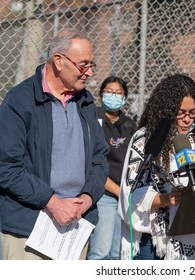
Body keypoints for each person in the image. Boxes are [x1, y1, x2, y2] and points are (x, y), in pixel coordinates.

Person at [0, 28, 109, 260]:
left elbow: (100, 158)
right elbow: (6, 167)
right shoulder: (20, 101)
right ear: (58, 61)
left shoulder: (85, 101)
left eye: (92, 65)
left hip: (76, 229)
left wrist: (87, 198)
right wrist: (53, 202)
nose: (89, 72)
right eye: (83, 65)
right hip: (29, 229)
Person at [118, 73, 195, 260]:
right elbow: (130, 192)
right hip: (153, 240)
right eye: (181, 112)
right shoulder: (146, 139)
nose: (187, 119)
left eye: (192, 112)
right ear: (167, 111)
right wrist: (165, 199)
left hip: (193, 237)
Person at [86, 76, 136, 260]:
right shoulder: (93, 118)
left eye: (118, 93)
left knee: (118, 254)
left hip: (125, 195)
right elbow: (92, 161)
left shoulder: (129, 124)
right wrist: (117, 190)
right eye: (109, 92)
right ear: (101, 94)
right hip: (104, 194)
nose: (113, 96)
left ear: (125, 98)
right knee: (101, 251)